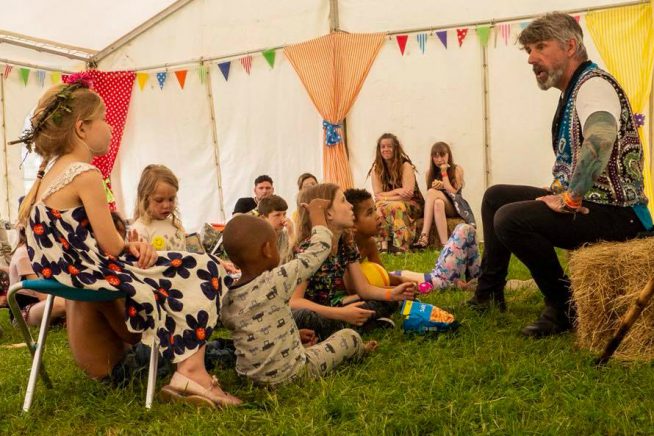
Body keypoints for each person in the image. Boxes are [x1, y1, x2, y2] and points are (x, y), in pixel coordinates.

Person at [13, 75, 240, 408]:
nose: (108, 127)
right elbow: (110, 244)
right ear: (81, 128)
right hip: (95, 275)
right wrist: (131, 246)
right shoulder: (84, 174)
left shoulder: (44, 182)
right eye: (103, 119)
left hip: (65, 277)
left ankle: (190, 368)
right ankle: (192, 373)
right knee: (204, 267)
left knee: (187, 270)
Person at [467, 12, 652, 338]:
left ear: (570, 46)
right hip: (594, 205)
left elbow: (601, 137)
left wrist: (570, 196)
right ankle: (488, 293)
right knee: (496, 196)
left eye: (540, 47)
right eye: (528, 51)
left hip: (620, 214)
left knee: (511, 218)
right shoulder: (573, 89)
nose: (531, 59)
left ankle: (563, 306)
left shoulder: (593, 85)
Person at [221, 209, 376, 386]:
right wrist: (317, 216)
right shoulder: (276, 280)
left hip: (248, 378)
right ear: (267, 249)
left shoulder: (228, 298)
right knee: (349, 336)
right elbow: (318, 251)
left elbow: (255, 329)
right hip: (292, 373)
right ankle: (359, 349)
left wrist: (292, 336)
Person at [290, 183, 417, 340]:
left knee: (387, 301)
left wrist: (392, 293)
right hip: (318, 313)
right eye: (343, 201)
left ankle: (351, 327)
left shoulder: (346, 243)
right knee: (304, 316)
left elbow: (363, 289)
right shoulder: (310, 249)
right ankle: (354, 326)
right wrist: (341, 314)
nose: (350, 206)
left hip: (335, 308)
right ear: (328, 214)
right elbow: (294, 302)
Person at [345, 188, 480, 291]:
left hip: (434, 279)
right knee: (465, 229)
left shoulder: (369, 243)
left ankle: (477, 282)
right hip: (440, 279)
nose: (378, 215)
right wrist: (395, 290)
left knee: (467, 229)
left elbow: (385, 275)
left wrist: (402, 281)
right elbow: (358, 290)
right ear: (353, 224)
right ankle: (479, 283)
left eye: (375, 210)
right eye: (370, 213)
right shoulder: (345, 249)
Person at [368, 133, 424, 253]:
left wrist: (386, 197)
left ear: (395, 148)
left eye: (389, 146)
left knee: (394, 206)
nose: (386, 149)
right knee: (379, 207)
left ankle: (401, 246)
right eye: (383, 147)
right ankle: (383, 246)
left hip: (413, 204)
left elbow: (408, 194)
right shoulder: (376, 169)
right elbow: (377, 195)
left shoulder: (405, 165)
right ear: (379, 150)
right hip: (390, 203)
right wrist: (398, 191)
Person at [414, 142, 476, 248]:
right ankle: (445, 244)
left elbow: (454, 192)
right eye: (435, 156)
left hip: (456, 206)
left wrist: (444, 174)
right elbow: (431, 200)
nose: (439, 159)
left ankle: (424, 236)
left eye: (442, 155)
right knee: (438, 203)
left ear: (448, 155)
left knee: (431, 192)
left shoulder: (457, 169)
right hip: (440, 207)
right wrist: (437, 187)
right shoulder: (429, 173)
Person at [8, 226, 66, 326]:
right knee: (63, 303)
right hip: (24, 312)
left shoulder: (46, 251)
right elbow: (43, 295)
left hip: (44, 303)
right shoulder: (24, 254)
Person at [130, 164, 186, 251]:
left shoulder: (175, 224)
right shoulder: (139, 229)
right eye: (159, 200)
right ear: (145, 199)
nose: (166, 205)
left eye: (171, 199)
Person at [258, 195, 294, 265]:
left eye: (284, 214)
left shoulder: (287, 235)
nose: (283, 219)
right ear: (263, 218)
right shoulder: (256, 239)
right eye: (277, 215)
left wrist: (291, 234)